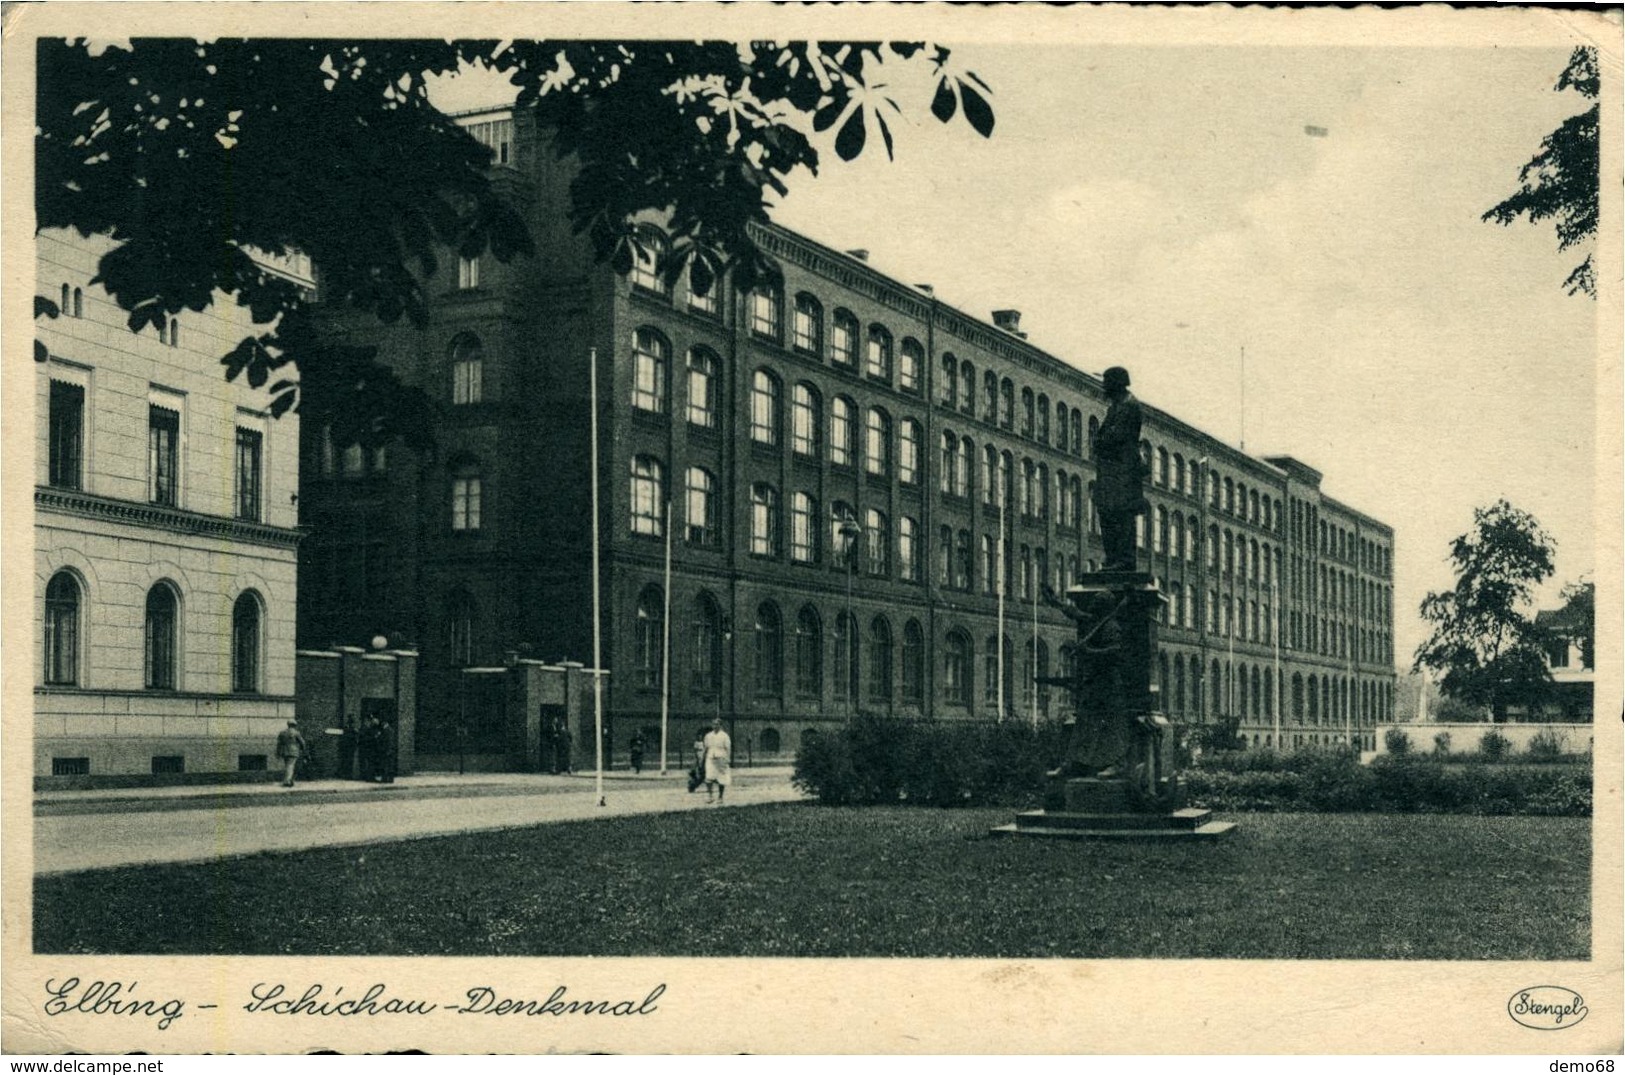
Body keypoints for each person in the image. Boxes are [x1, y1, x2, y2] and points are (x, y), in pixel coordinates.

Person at [1090, 366, 1148, 572]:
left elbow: (1113, 437)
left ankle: (1123, 560)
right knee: (1108, 514)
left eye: (1106, 382)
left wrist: (1101, 441)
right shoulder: (1117, 406)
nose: (1103, 386)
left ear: (1116, 383)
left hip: (1122, 474)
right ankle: (1113, 558)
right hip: (1112, 474)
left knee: (1121, 516)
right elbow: (1103, 438)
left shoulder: (1128, 406)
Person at [701, 717, 732, 803]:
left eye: (717, 724)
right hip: (710, 758)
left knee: (721, 778)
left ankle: (720, 797)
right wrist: (702, 759)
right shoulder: (708, 736)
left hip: (721, 759)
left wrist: (727, 759)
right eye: (713, 724)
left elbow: (728, 748)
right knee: (709, 778)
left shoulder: (724, 736)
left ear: (720, 725)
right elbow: (705, 748)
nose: (715, 726)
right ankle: (710, 796)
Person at [275, 718, 308, 788]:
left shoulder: (282, 733)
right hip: (293, 751)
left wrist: (278, 752)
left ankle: (288, 780)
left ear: (288, 725)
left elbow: (279, 743)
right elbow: (302, 742)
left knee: (287, 765)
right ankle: (287, 781)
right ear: (294, 725)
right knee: (290, 766)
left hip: (284, 751)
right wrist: (303, 749)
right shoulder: (296, 733)